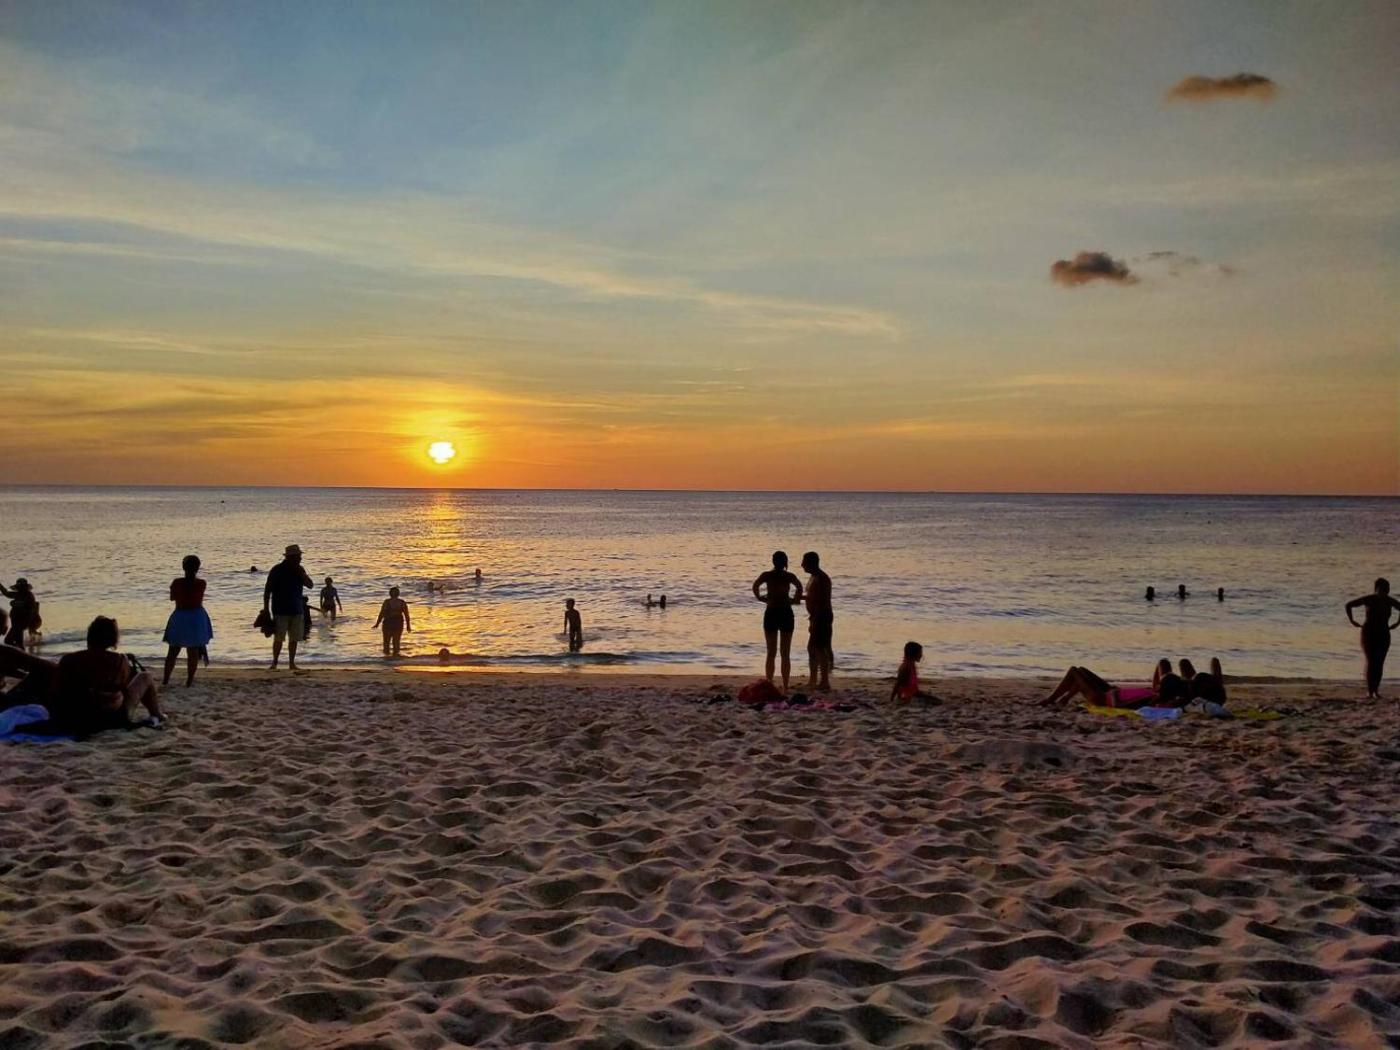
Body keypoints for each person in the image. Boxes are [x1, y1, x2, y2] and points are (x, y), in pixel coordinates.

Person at [48, 616, 165, 738]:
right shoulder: (120, 661)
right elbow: (124, 689)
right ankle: (156, 714)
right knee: (145, 677)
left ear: (90, 635)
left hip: (76, 716)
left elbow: (55, 693)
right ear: (113, 638)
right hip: (112, 718)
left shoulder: (69, 659)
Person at [1042, 658, 1188, 708]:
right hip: (1110, 691)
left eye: (1160, 684)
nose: (1157, 684)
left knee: (1074, 671)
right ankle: (1065, 699)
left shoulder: (1151, 699)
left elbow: (1124, 705)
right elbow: (1161, 665)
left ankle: (1051, 700)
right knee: (1081, 670)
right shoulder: (1156, 693)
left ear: (1164, 689)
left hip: (1103, 698)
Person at [752, 551, 803, 692]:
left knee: (771, 652)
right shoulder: (789, 576)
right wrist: (794, 600)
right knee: (785, 653)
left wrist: (760, 598)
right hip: (786, 612)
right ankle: (785, 685)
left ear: (773, 561)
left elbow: (755, 586)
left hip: (772, 611)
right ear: (785, 562)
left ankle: (770, 683)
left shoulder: (767, 575)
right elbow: (799, 587)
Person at [162, 555, 213, 688]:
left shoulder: (177, 583)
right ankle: (189, 681)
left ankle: (166, 680)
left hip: (181, 615)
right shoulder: (201, 583)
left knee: (173, 651)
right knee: (193, 651)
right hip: (196, 617)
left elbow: (172, 598)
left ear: (183, 567)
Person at [1346, 579, 1399, 699]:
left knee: (1379, 662)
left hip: (1383, 633)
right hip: (1369, 633)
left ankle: (1376, 691)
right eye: (1383, 589)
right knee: (1371, 661)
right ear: (1376, 589)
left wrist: (1397, 623)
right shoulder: (1369, 599)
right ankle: (1370, 691)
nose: (1385, 592)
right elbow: (1348, 605)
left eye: (1387, 589)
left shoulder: (1389, 600)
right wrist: (1352, 620)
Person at [264, 544, 313, 670]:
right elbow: (267, 591)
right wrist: (266, 610)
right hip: (280, 610)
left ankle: (291, 663)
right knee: (279, 638)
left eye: (300, 556)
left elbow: (310, 585)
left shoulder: (300, 570)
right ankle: (275, 662)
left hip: (296, 609)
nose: (300, 558)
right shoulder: (277, 570)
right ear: (290, 557)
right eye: (298, 556)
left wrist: (302, 574)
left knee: (294, 639)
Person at [801, 551, 833, 692]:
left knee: (819, 648)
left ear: (811, 563)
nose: (802, 565)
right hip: (816, 616)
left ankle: (824, 681)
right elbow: (812, 597)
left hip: (822, 616)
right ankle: (813, 679)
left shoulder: (821, 579)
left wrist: (815, 620)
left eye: (804, 562)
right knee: (813, 648)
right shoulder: (814, 578)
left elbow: (821, 601)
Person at [373, 586, 411, 656]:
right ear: (398, 593)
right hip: (398, 623)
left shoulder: (387, 602)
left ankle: (387, 657)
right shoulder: (402, 602)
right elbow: (406, 615)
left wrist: (377, 623)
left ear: (390, 593)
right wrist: (408, 626)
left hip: (388, 623)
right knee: (396, 642)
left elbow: (382, 613)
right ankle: (395, 658)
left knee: (386, 642)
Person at [1, 578, 39, 649]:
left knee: (11, 641)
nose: (20, 589)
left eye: (22, 587)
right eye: (19, 587)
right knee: (10, 641)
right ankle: (18, 651)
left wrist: (14, 603)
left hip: (21, 623)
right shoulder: (18, 594)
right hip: (16, 624)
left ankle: (19, 652)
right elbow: (6, 593)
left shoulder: (29, 595)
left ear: (25, 587)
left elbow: (27, 606)